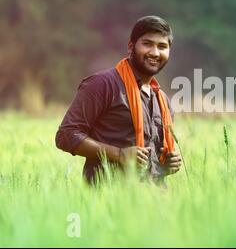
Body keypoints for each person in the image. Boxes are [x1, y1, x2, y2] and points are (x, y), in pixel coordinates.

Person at [55, 15, 182, 185]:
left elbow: (152, 155)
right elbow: (66, 135)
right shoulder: (102, 84)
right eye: (147, 44)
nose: (155, 52)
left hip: (155, 203)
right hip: (107, 199)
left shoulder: (163, 100)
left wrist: (167, 164)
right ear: (131, 46)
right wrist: (119, 154)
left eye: (162, 46)